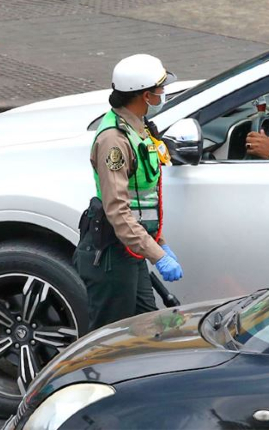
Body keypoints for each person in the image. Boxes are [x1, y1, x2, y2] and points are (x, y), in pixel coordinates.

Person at [74, 54, 183, 332]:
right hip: (112, 255)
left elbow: (140, 201)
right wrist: (158, 255)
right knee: (110, 340)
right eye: (160, 91)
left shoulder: (138, 127)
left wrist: (158, 243)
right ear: (145, 96)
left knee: (146, 329)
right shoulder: (114, 140)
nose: (163, 96)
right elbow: (118, 210)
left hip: (131, 249)